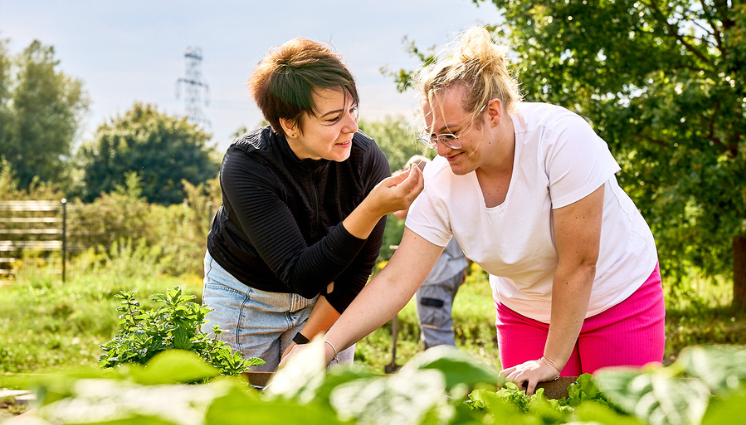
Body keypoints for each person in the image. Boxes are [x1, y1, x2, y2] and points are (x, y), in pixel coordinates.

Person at [319, 26, 665, 394]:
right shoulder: (441, 181)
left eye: (451, 133)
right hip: (525, 310)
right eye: (432, 136)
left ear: (493, 113)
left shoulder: (561, 140)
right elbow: (396, 280)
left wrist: (551, 361)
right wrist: (324, 346)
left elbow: (579, 264)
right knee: (531, 423)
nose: (441, 149)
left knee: (617, 417)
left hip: (614, 295)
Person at [201, 38, 423, 372]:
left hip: (326, 304)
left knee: (323, 401)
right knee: (242, 400)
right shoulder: (247, 166)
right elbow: (300, 274)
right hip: (245, 299)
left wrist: (308, 340)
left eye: (352, 110)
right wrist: (371, 209)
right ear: (289, 124)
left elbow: (357, 271)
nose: (352, 126)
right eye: (333, 118)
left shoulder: (365, 161)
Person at [394, 155, 468, 350]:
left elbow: (398, 212)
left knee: (436, 335)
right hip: (453, 270)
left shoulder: (424, 197)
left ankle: (448, 370)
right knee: (440, 325)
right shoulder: (447, 193)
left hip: (436, 275)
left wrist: (400, 184)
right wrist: (464, 265)